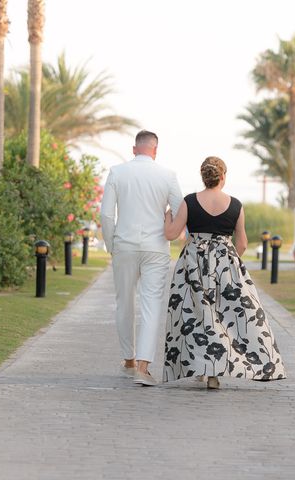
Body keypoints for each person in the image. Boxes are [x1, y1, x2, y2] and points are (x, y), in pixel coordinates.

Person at [162, 156, 286, 389]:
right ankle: (222, 370)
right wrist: (229, 259)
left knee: (197, 317)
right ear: (223, 176)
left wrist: (167, 215)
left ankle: (205, 369)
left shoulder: (190, 201)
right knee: (225, 316)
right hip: (226, 266)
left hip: (194, 264)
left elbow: (171, 234)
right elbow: (243, 242)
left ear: (203, 177)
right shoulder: (236, 205)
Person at [101, 130, 183, 386]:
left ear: (134, 149)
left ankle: (128, 359)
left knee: (124, 302)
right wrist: (171, 227)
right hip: (156, 247)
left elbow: (106, 215)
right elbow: (181, 210)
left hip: (124, 245)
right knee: (151, 305)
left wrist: (111, 244)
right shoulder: (168, 176)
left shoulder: (117, 172)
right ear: (155, 150)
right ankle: (143, 366)